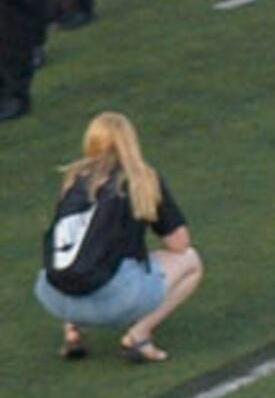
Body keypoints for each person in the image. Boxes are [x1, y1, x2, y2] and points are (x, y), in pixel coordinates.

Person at [37, 111, 204, 363]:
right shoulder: (142, 179)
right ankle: (139, 336)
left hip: (52, 295)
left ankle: (72, 331)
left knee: (75, 252)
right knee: (191, 262)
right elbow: (179, 243)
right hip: (114, 301)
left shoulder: (73, 178)